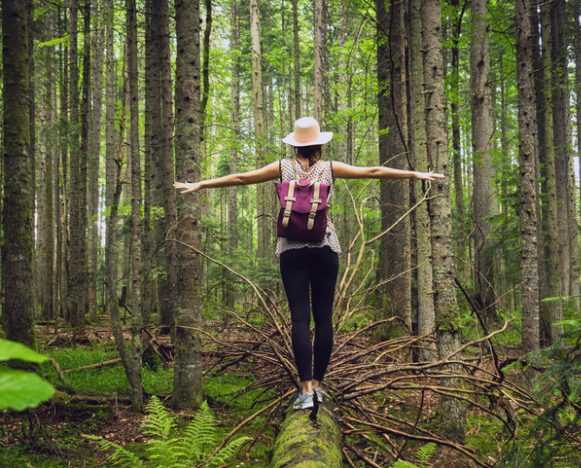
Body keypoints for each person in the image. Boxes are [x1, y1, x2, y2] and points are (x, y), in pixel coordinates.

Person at [173, 117, 444, 410]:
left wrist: (200, 184)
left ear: (294, 144)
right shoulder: (329, 169)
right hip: (325, 247)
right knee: (324, 319)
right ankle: (318, 386)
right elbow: (374, 171)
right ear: (319, 143)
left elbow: (240, 178)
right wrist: (416, 175)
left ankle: (304, 390)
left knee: (300, 319)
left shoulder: (281, 168)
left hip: (291, 250)